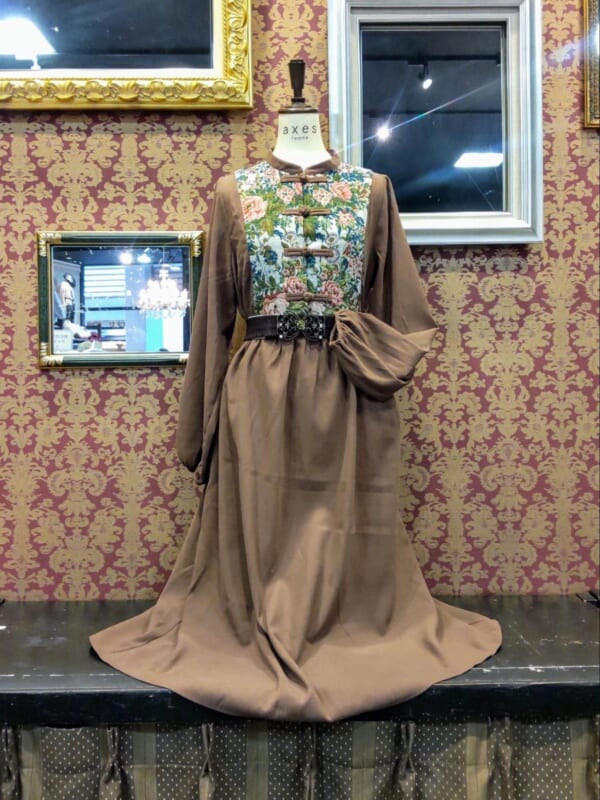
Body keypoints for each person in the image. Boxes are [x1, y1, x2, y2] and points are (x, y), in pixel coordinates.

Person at [90, 61, 501, 721]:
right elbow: (214, 318)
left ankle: (348, 623)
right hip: (259, 394)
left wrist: (375, 361)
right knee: (263, 527)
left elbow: (403, 309)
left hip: (349, 395)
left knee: (345, 524)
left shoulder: (372, 190)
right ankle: (261, 621)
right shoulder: (235, 192)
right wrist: (200, 429)